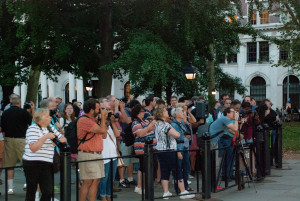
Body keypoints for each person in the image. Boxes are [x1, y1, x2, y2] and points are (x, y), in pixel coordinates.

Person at [22, 108, 67, 201]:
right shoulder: (32, 129)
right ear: (41, 118)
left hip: (47, 162)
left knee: (48, 191)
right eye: (47, 116)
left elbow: (63, 139)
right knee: (32, 191)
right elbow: (33, 148)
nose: (50, 117)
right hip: (32, 163)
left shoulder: (51, 127)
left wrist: (55, 141)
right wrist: (46, 137)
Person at [154, 107, 195, 199]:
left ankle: (166, 192)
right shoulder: (166, 125)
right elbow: (177, 135)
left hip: (160, 150)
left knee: (165, 171)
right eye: (165, 111)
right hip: (170, 150)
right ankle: (183, 192)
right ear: (161, 114)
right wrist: (178, 133)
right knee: (177, 170)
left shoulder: (157, 124)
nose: (167, 112)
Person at [77, 98, 108, 201]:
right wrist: (103, 118)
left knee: (96, 180)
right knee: (87, 181)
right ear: (91, 110)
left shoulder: (93, 120)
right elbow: (102, 130)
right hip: (88, 154)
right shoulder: (84, 120)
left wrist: (102, 119)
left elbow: (104, 135)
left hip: (96, 154)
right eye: (98, 109)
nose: (100, 111)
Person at [1, 95, 32, 194]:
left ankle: (10, 188)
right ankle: (27, 184)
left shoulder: (5, 113)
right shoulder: (24, 112)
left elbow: (2, 128)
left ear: (11, 103)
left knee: (10, 165)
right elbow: (31, 123)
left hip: (9, 139)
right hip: (22, 140)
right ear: (19, 102)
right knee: (25, 163)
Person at [131, 104, 156, 194]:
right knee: (143, 168)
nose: (144, 113)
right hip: (142, 149)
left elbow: (151, 129)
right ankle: (140, 186)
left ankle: (142, 186)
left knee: (145, 168)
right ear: (138, 113)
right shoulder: (135, 123)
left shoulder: (145, 121)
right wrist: (149, 127)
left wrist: (149, 127)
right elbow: (140, 134)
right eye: (142, 111)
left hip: (151, 148)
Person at [97, 112, 120, 201]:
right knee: (104, 178)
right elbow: (104, 135)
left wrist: (113, 123)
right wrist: (104, 120)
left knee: (111, 178)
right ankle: (102, 196)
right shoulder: (100, 127)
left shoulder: (111, 126)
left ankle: (108, 195)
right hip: (104, 156)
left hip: (113, 156)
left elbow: (117, 135)